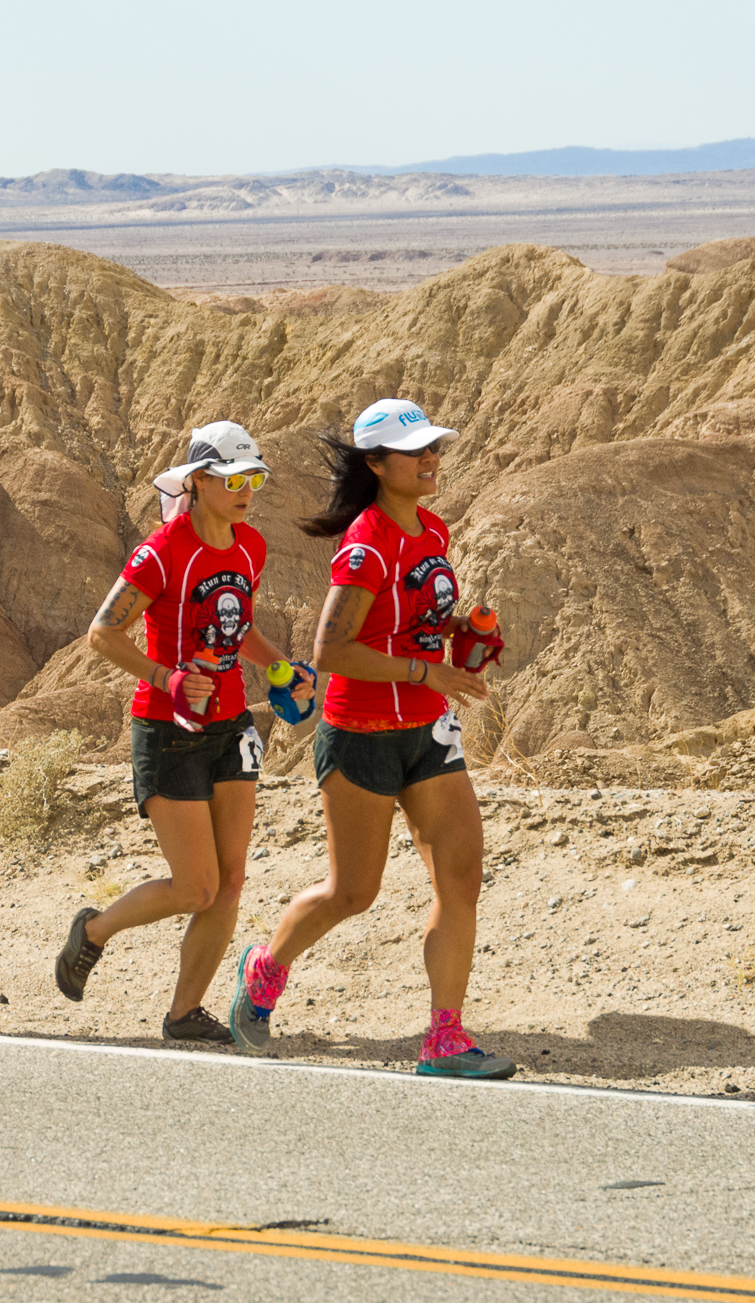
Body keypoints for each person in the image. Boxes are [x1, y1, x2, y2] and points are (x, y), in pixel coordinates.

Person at [228, 397, 513, 1078]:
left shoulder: (430, 531)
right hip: (360, 734)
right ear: (376, 465)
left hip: (427, 731)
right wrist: (427, 668)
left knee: (461, 878)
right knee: (353, 892)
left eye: (433, 448)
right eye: (416, 452)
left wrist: (461, 637)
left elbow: (413, 619)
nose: (430, 460)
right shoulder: (364, 547)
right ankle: (265, 968)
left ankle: (444, 1039)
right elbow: (331, 651)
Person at [55, 421, 310, 1043]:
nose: (247, 490)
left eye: (254, 478)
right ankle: (93, 931)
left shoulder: (251, 546)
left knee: (230, 881)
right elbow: (102, 634)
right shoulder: (161, 551)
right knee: (195, 886)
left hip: (231, 726)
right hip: (166, 727)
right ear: (197, 482)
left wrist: (278, 666)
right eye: (232, 480)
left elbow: (234, 625)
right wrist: (166, 678)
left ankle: (183, 1013)